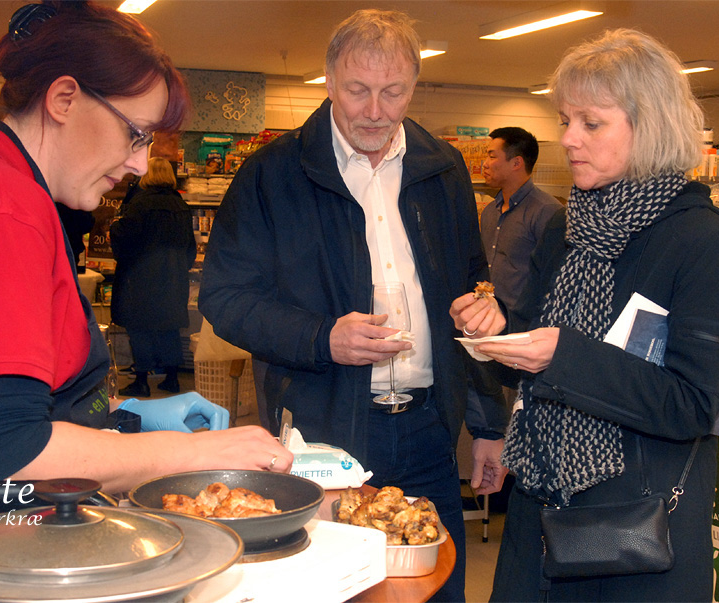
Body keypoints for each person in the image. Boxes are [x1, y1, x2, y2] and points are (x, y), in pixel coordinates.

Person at [0, 1, 291, 583]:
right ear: (64, 99)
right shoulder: (0, 208)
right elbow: (10, 449)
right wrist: (198, 454)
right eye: (135, 134)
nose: (139, 163)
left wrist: (120, 417)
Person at [199, 9, 508, 601]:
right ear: (329, 81)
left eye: (393, 92)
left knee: (437, 590)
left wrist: (488, 421)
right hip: (322, 439)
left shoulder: (441, 170)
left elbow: (472, 288)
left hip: (427, 431)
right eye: (357, 90)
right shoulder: (273, 174)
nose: (375, 111)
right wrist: (322, 338)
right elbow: (225, 296)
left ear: (414, 86)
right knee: (335, 590)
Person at [451, 29, 719, 601]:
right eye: (566, 119)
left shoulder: (701, 241)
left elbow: (693, 404)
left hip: (636, 534)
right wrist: (498, 329)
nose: (568, 138)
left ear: (650, 126)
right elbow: (533, 344)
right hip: (539, 513)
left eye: (591, 123)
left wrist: (564, 357)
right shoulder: (567, 229)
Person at [111, 157, 195, 396]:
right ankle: (172, 378)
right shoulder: (180, 205)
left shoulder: (140, 204)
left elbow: (126, 238)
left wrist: (115, 227)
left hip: (142, 278)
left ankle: (141, 380)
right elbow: (189, 247)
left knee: (140, 328)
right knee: (169, 329)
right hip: (173, 279)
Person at [479, 126, 563, 312]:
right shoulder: (490, 212)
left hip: (523, 321)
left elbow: (556, 276)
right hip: (487, 315)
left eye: (492, 157)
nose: (485, 164)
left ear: (516, 163)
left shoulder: (547, 212)